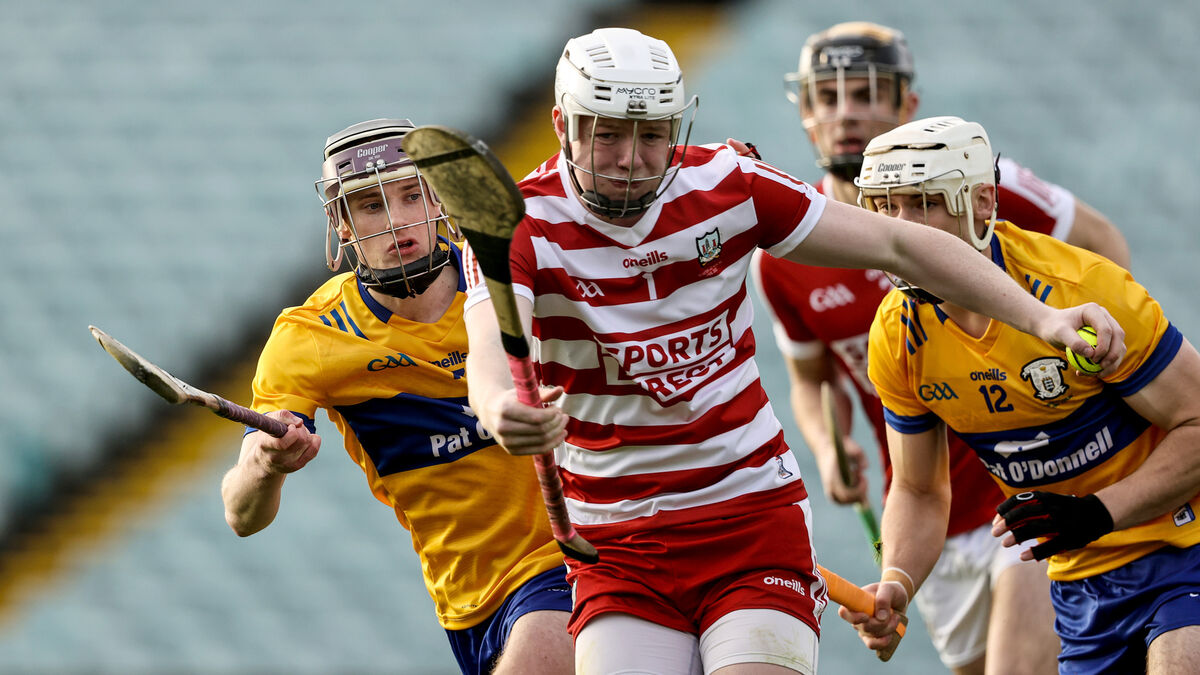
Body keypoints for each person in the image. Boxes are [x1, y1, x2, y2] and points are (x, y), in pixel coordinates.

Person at [458, 28, 1121, 675]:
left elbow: (900, 244)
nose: (631, 158)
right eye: (608, 133)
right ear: (563, 123)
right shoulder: (513, 225)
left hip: (751, 518)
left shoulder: (729, 184)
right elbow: (487, 350)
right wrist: (500, 409)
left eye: (652, 134)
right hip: (617, 545)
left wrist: (1045, 318)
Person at [752, 21, 1131, 674]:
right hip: (925, 512)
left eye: (867, 93)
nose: (847, 114)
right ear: (806, 113)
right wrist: (827, 445)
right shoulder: (789, 253)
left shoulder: (979, 186)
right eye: (828, 96)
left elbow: (1105, 251)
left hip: (1031, 482)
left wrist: (1082, 362)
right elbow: (811, 379)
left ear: (907, 105)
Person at [839, 115, 1200, 674]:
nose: (902, 229)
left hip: (1182, 550)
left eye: (924, 204)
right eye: (886, 208)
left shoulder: (1080, 290)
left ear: (982, 202)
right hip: (1079, 586)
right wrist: (897, 582)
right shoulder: (895, 335)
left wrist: (1098, 513)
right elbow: (918, 488)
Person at [219, 118, 573, 675]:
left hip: (573, 557)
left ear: (438, 199)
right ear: (341, 223)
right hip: (466, 601)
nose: (397, 220)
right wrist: (265, 464)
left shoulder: (511, 276)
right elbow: (241, 515)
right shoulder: (310, 337)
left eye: (411, 195)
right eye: (371, 205)